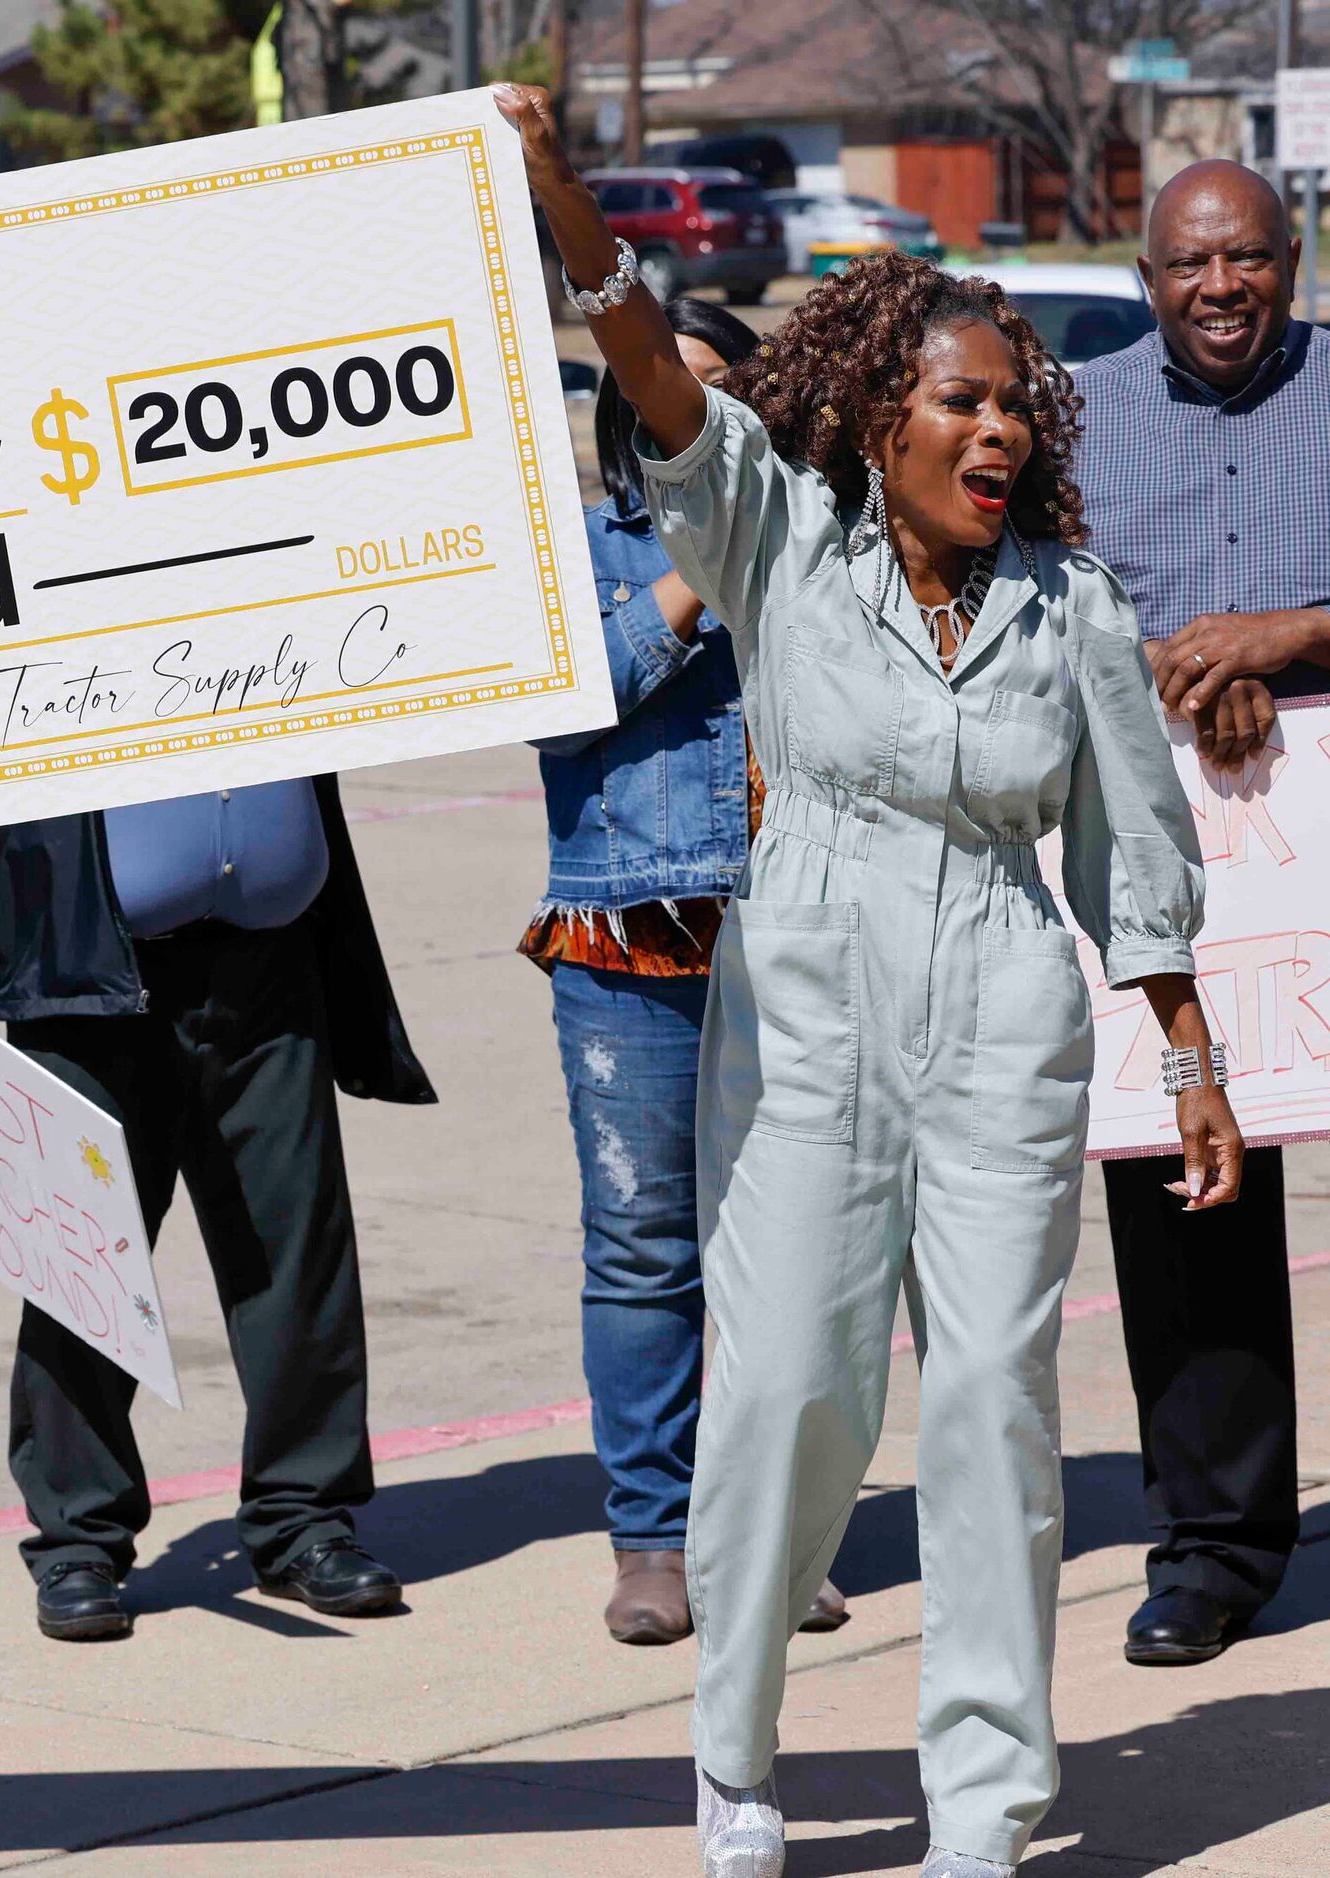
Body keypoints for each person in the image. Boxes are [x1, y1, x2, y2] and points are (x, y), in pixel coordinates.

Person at [498, 84, 1244, 1878]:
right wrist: (556, 195)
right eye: (960, 399)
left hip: (1001, 985)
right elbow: (661, 382)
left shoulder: (1066, 602)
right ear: (872, 412)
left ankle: (983, 1802)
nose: (996, 429)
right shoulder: (777, 536)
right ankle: (736, 1759)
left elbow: (1130, 838)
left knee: (993, 1401)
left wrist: (1188, 1038)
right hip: (811, 980)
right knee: (788, 1389)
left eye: (1015, 405)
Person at [0, 775, 432, 1642]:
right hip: (84, 955)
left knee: (297, 1250)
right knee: (80, 1255)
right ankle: (79, 1537)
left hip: (272, 957)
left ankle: (304, 1522)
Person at [525, 295, 844, 1648]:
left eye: (718, 391)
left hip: (797, 936)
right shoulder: (574, 550)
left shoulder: (812, 546)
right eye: (665, 388)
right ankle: (652, 1536)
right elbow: (562, 700)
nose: (690, 414)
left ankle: (776, 1529)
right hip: (628, 942)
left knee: (789, 1252)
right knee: (646, 1246)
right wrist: (694, 574)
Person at [1070, 157, 1330, 1669]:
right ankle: (1215, 1546)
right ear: (1147, 277)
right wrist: (1170, 659)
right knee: (1191, 1181)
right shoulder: (1075, 410)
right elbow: (1025, 593)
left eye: (1245, 261)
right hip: (1176, 855)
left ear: (1290, 260)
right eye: (1187, 266)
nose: (1218, 288)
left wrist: (1285, 633)